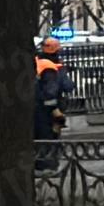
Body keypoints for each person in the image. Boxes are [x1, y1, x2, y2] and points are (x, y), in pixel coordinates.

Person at [33, 38, 75, 171]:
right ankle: (48, 168)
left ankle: (39, 164)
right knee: (49, 140)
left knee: (38, 139)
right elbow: (61, 88)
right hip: (49, 113)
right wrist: (55, 111)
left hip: (36, 110)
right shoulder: (52, 68)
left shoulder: (37, 62)